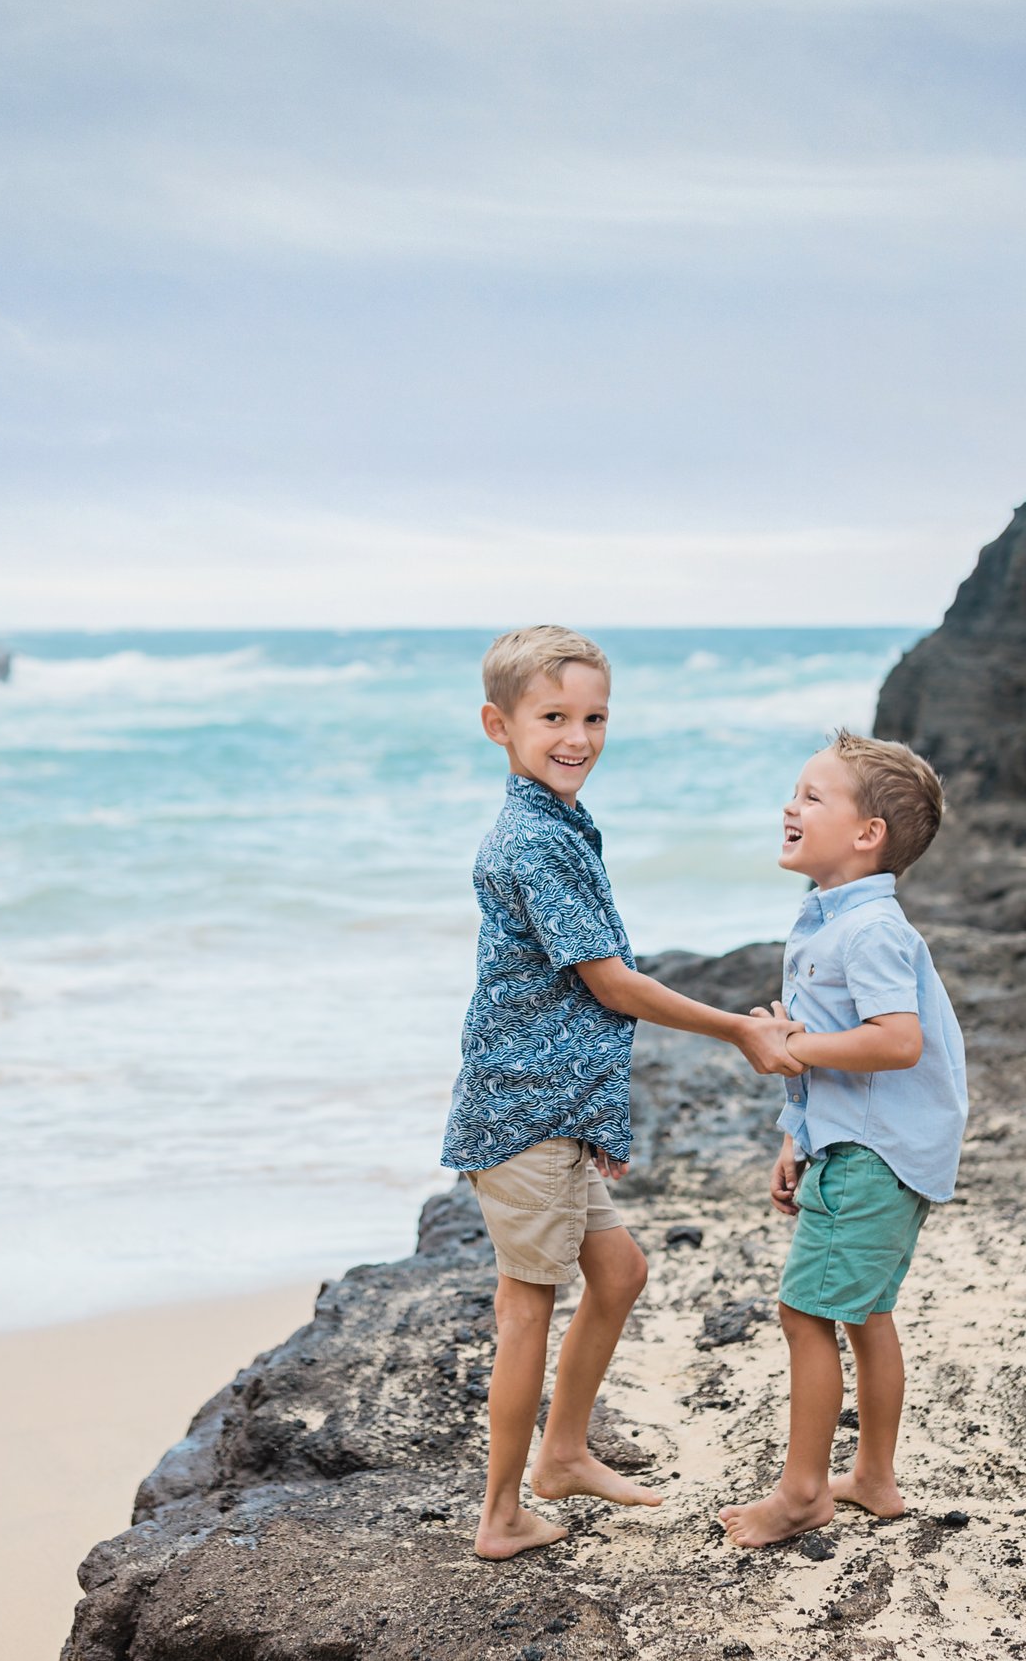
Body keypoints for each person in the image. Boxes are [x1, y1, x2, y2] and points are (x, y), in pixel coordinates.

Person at [443, 624, 805, 1561]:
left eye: (594, 716)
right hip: (524, 1110)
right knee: (526, 1307)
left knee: (622, 1271)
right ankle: (501, 1512)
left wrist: (600, 1109)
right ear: (499, 724)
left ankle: (562, 1456)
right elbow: (608, 982)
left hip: (555, 1104)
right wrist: (737, 1029)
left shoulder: (558, 822)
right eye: (553, 716)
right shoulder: (534, 841)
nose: (578, 736)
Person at [718, 731, 968, 1548]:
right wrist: (796, 1133)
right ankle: (872, 1475)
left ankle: (800, 1493)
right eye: (795, 791)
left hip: (874, 1153)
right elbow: (835, 1048)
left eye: (813, 796)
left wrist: (791, 1046)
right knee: (865, 1310)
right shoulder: (825, 921)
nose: (791, 806)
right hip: (861, 1144)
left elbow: (896, 1040)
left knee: (803, 1309)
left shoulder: (870, 931)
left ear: (869, 835)